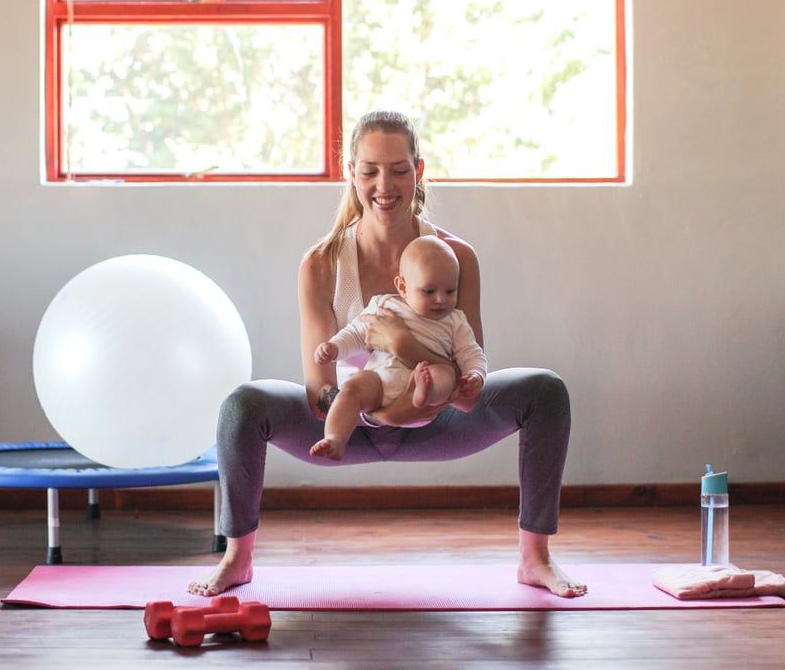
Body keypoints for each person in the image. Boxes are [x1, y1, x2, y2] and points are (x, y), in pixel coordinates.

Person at [188, 109, 586, 599]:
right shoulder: (321, 263)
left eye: (399, 170)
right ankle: (237, 558)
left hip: (437, 418)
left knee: (545, 391)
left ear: (419, 171)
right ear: (350, 172)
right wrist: (378, 407)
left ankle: (535, 558)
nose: (385, 184)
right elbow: (319, 395)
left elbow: (467, 386)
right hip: (347, 426)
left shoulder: (455, 256)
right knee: (243, 404)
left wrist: (403, 348)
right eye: (371, 170)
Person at [310, 235, 487, 461]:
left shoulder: (455, 321)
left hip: (425, 381)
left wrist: (475, 375)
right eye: (429, 291)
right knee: (352, 389)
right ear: (402, 287)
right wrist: (334, 347)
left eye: (450, 291)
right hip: (379, 381)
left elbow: (471, 353)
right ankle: (335, 438)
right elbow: (356, 333)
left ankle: (423, 392)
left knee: (446, 375)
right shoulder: (384, 305)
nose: (441, 300)